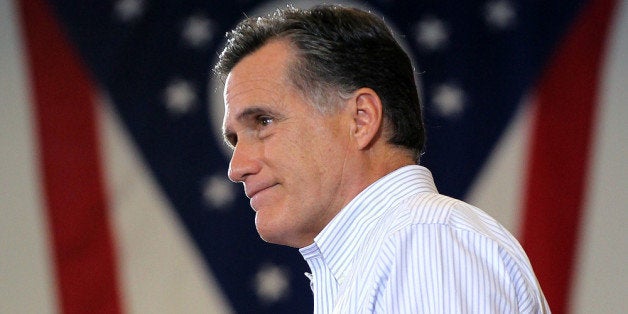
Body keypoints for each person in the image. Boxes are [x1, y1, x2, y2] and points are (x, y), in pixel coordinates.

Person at [214, 4, 550, 313]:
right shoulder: (385, 257)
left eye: (263, 122)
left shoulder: (422, 242)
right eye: (234, 140)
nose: (237, 168)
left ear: (361, 119)